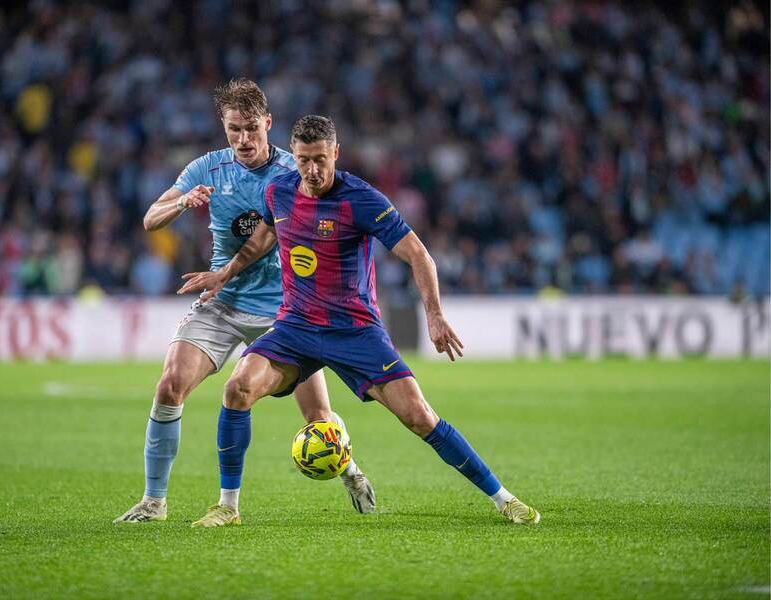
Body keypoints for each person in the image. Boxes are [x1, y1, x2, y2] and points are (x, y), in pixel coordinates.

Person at [182, 115, 539, 528]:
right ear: (292, 157)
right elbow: (265, 234)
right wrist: (224, 273)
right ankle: (228, 506)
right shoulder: (278, 189)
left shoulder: (361, 199)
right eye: (302, 161)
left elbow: (418, 254)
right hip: (296, 326)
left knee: (420, 417)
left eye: (320, 159)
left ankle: (504, 499)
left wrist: (435, 316)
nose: (312, 171)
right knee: (238, 387)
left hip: (355, 331)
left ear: (335, 153)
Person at [113, 83, 375, 524]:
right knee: (168, 386)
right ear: (224, 127)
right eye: (234, 129)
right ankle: (154, 502)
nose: (243, 139)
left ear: (268, 124)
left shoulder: (297, 171)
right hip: (223, 301)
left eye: (252, 128)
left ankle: (349, 470)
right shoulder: (206, 168)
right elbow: (150, 218)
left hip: (287, 310)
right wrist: (182, 202)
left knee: (318, 418)